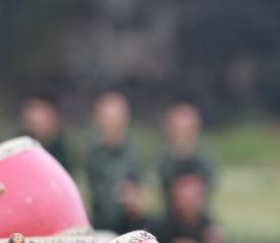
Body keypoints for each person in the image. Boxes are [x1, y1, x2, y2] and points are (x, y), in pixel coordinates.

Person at [85, 91, 145, 234]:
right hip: (98, 228)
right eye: (107, 118)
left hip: (129, 227)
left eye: (115, 119)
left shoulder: (133, 154)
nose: (111, 124)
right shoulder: (91, 155)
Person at [158, 102, 216, 212]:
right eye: (178, 131)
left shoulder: (203, 157)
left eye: (186, 131)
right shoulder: (165, 157)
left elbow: (208, 184)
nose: (182, 136)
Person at [20, 96, 71, 170]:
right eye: (31, 110)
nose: (33, 117)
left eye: (40, 110)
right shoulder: (17, 146)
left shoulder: (67, 150)